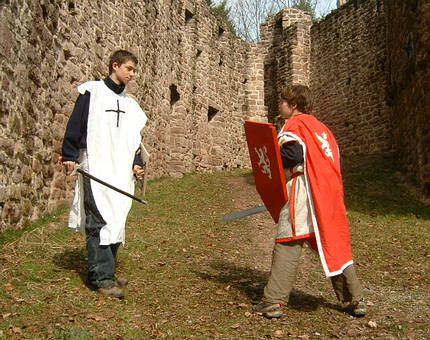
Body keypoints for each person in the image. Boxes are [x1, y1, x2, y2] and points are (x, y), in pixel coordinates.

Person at [254, 85, 366, 318]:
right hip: (328, 193)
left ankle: (273, 301)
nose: (280, 105)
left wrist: (267, 155)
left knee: (289, 238)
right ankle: (355, 300)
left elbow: (293, 155)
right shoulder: (321, 128)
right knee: (333, 244)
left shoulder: (296, 124)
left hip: (305, 190)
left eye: (283, 102)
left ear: (294, 105)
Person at [61, 50, 148, 299]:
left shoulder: (131, 105)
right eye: (129, 68)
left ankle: (105, 270)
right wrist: (69, 154)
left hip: (121, 169)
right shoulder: (92, 92)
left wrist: (137, 162)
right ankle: (102, 277)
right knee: (99, 219)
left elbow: (134, 139)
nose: (132, 74)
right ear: (115, 65)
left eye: (134, 70)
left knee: (117, 217)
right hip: (97, 165)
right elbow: (76, 124)